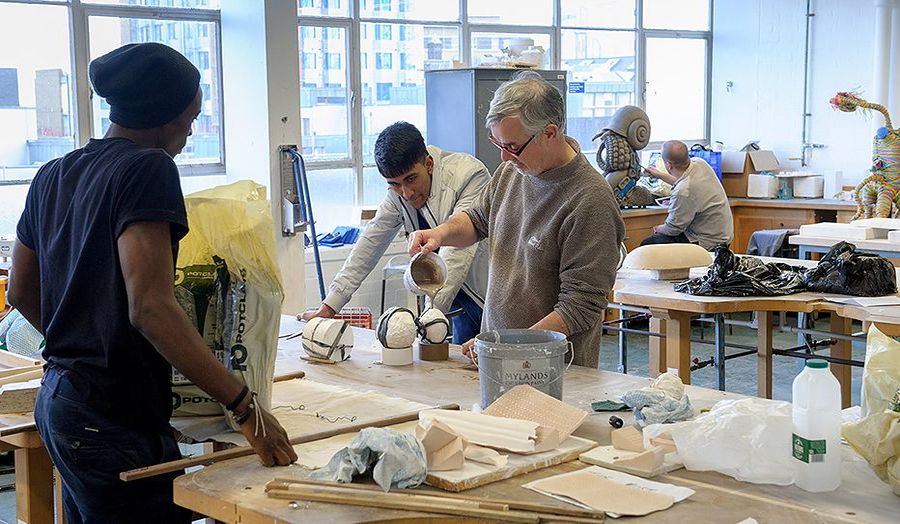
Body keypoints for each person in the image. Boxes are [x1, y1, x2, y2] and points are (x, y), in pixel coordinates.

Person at [7, 43, 296, 523]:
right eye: (190, 116)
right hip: (109, 417)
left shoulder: (53, 174)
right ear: (165, 114)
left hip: (61, 402)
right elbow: (152, 308)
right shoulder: (148, 168)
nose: (190, 129)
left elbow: (20, 293)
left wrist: (83, 336)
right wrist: (246, 407)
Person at [407, 72, 625, 368]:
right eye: (497, 144)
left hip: (554, 372)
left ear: (549, 133)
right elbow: (478, 219)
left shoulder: (590, 200)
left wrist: (504, 346)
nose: (504, 157)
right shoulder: (514, 171)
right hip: (502, 360)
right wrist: (439, 234)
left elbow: (579, 307)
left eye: (511, 146)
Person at [300, 122, 490, 344]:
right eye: (395, 184)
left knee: (496, 368)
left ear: (429, 164)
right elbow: (370, 243)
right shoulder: (397, 195)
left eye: (411, 179)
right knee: (461, 371)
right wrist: (329, 307)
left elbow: (457, 253)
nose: (406, 193)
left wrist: (428, 317)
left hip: (491, 295)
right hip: (458, 303)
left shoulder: (468, 175)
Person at [642, 140, 734, 249]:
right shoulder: (700, 163)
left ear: (668, 164)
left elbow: (672, 229)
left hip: (708, 242)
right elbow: (684, 182)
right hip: (723, 236)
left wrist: (657, 228)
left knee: (648, 245)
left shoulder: (683, 192)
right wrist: (659, 175)